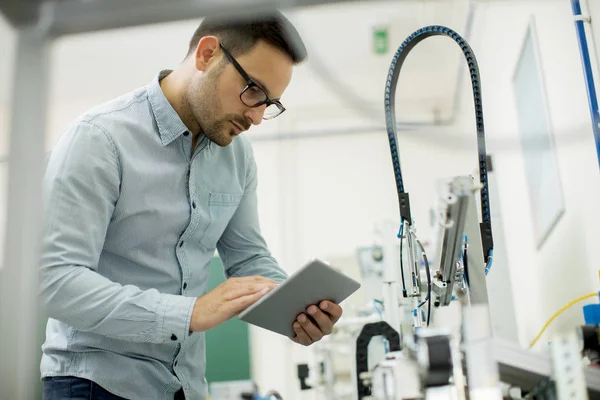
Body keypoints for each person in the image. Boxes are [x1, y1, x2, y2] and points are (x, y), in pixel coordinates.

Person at [40, 11, 343, 400]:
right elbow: (55, 281)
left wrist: (296, 309)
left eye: (269, 103)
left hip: (185, 387)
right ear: (207, 54)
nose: (256, 116)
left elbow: (249, 259)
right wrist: (189, 312)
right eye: (252, 89)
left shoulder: (237, 157)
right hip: (95, 384)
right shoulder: (99, 139)